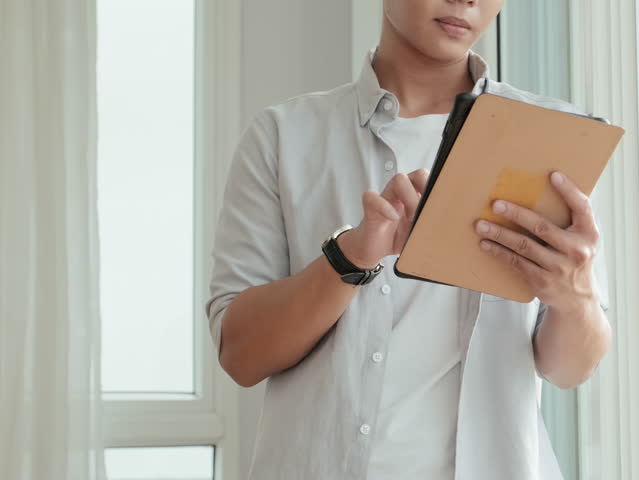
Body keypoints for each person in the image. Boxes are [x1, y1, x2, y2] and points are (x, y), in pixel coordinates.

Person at [205, 0, 612, 478]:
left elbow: (569, 370)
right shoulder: (283, 137)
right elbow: (241, 356)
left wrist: (575, 297)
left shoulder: (556, 138)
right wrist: (351, 256)